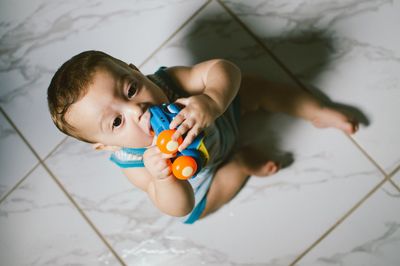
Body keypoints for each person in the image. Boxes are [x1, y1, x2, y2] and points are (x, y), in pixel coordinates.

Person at [47, 51, 358, 224]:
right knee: (202, 207)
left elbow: (223, 69)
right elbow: (177, 207)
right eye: (116, 122)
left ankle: (317, 110)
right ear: (107, 146)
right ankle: (239, 166)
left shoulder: (170, 83)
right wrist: (164, 179)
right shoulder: (137, 163)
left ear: (136, 70)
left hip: (222, 119)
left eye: (131, 89)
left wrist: (212, 100)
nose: (137, 109)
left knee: (253, 87)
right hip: (204, 174)